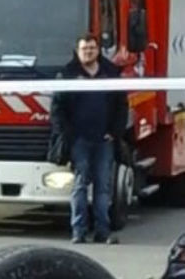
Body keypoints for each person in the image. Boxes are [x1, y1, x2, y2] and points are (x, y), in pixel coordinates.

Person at [49, 33, 128, 244]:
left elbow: (122, 106)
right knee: (80, 187)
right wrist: (69, 136)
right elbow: (57, 110)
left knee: (103, 188)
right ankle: (79, 232)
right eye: (84, 49)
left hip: (104, 141)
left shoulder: (110, 73)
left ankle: (103, 231)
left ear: (98, 50)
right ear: (77, 51)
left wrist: (114, 132)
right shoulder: (67, 75)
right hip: (79, 142)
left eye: (92, 48)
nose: (88, 52)